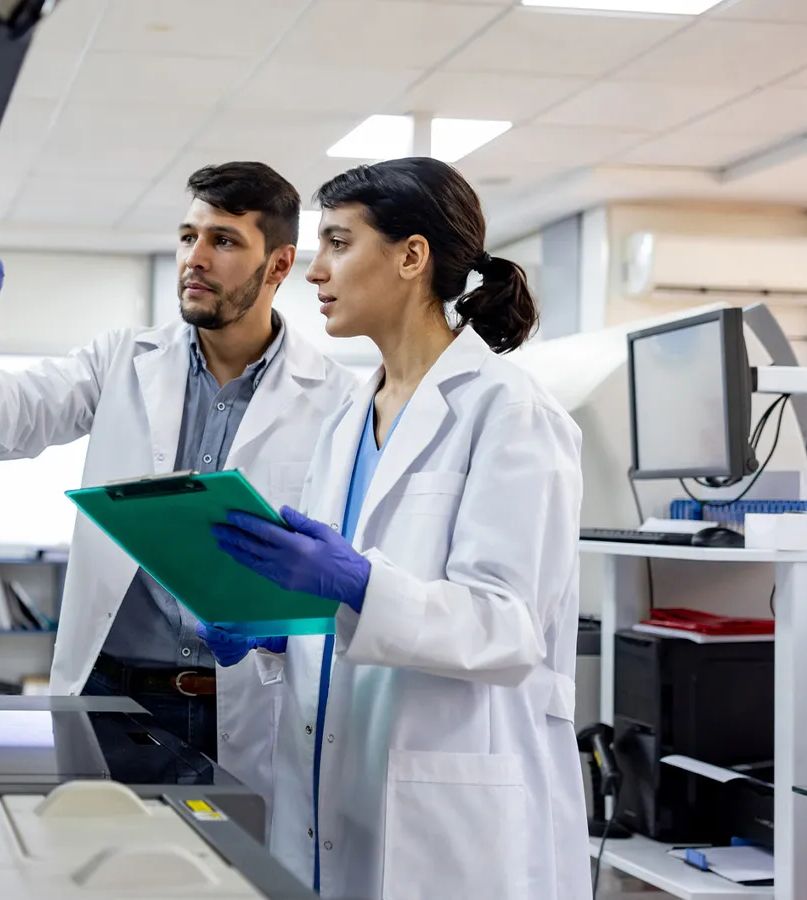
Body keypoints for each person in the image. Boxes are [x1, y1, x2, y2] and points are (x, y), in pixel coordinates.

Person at [0, 162, 358, 810]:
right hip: (113, 696)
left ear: (280, 264)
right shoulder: (124, 358)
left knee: (229, 876)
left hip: (246, 702)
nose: (194, 258)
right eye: (188, 236)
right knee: (100, 864)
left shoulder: (336, 399)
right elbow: (24, 416)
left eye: (224, 241)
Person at [209, 157, 588, 898]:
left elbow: (509, 628)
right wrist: (279, 629)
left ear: (412, 256)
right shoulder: (348, 416)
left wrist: (355, 579)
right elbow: (347, 618)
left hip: (446, 808)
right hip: (335, 783)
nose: (315, 272)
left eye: (339, 244)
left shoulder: (510, 413)